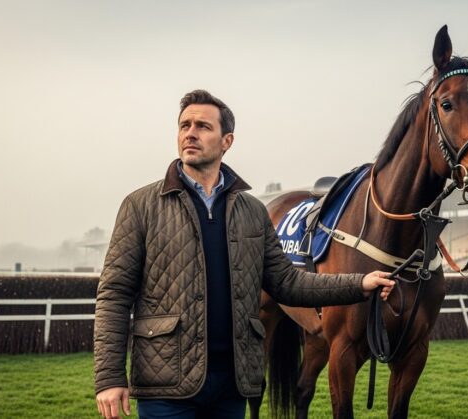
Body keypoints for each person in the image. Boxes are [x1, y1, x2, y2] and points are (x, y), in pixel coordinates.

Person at [94, 89, 395, 419]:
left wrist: (359, 283)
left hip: (232, 386)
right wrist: (109, 377)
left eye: (203, 126)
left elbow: (287, 283)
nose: (190, 133)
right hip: (167, 387)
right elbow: (115, 295)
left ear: (227, 141)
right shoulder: (141, 206)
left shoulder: (252, 211)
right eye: (184, 125)